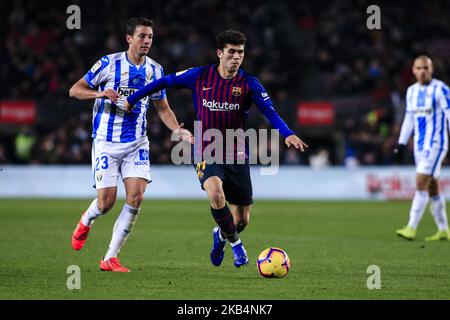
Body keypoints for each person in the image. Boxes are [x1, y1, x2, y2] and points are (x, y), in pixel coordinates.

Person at [125, 30, 308, 267]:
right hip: (205, 148)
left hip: (237, 153)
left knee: (241, 220)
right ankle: (236, 246)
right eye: (231, 52)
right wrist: (132, 99)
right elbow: (163, 82)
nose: (236, 57)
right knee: (215, 193)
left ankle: (221, 235)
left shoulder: (249, 84)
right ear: (220, 53)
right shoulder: (200, 76)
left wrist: (288, 133)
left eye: (240, 53)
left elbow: (270, 112)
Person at [68, 17, 193, 272]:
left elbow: (163, 107)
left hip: (137, 143)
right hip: (105, 142)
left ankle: (110, 258)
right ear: (129, 39)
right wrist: (99, 93)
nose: (147, 41)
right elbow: (75, 90)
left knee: (136, 197)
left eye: (150, 37)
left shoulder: (155, 70)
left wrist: (177, 130)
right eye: (142, 36)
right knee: (106, 203)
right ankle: (86, 220)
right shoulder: (108, 63)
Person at [394, 55, 450, 241]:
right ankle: (443, 230)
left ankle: (411, 227)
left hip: (436, 144)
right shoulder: (411, 91)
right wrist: (401, 143)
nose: (422, 71)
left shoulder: (441, 89)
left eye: (426, 67)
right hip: (419, 146)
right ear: (413, 70)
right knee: (432, 187)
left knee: (420, 183)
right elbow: (409, 119)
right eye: (419, 68)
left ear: (431, 69)